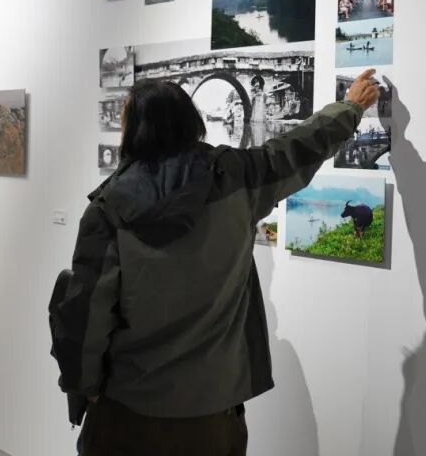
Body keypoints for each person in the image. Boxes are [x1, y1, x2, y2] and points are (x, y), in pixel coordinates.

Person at [50, 70, 383, 455]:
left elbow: (87, 315)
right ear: (189, 120)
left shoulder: (108, 209)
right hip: (213, 417)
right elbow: (299, 146)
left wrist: (85, 387)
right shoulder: (239, 177)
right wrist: (351, 107)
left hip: (128, 414)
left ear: (135, 130)